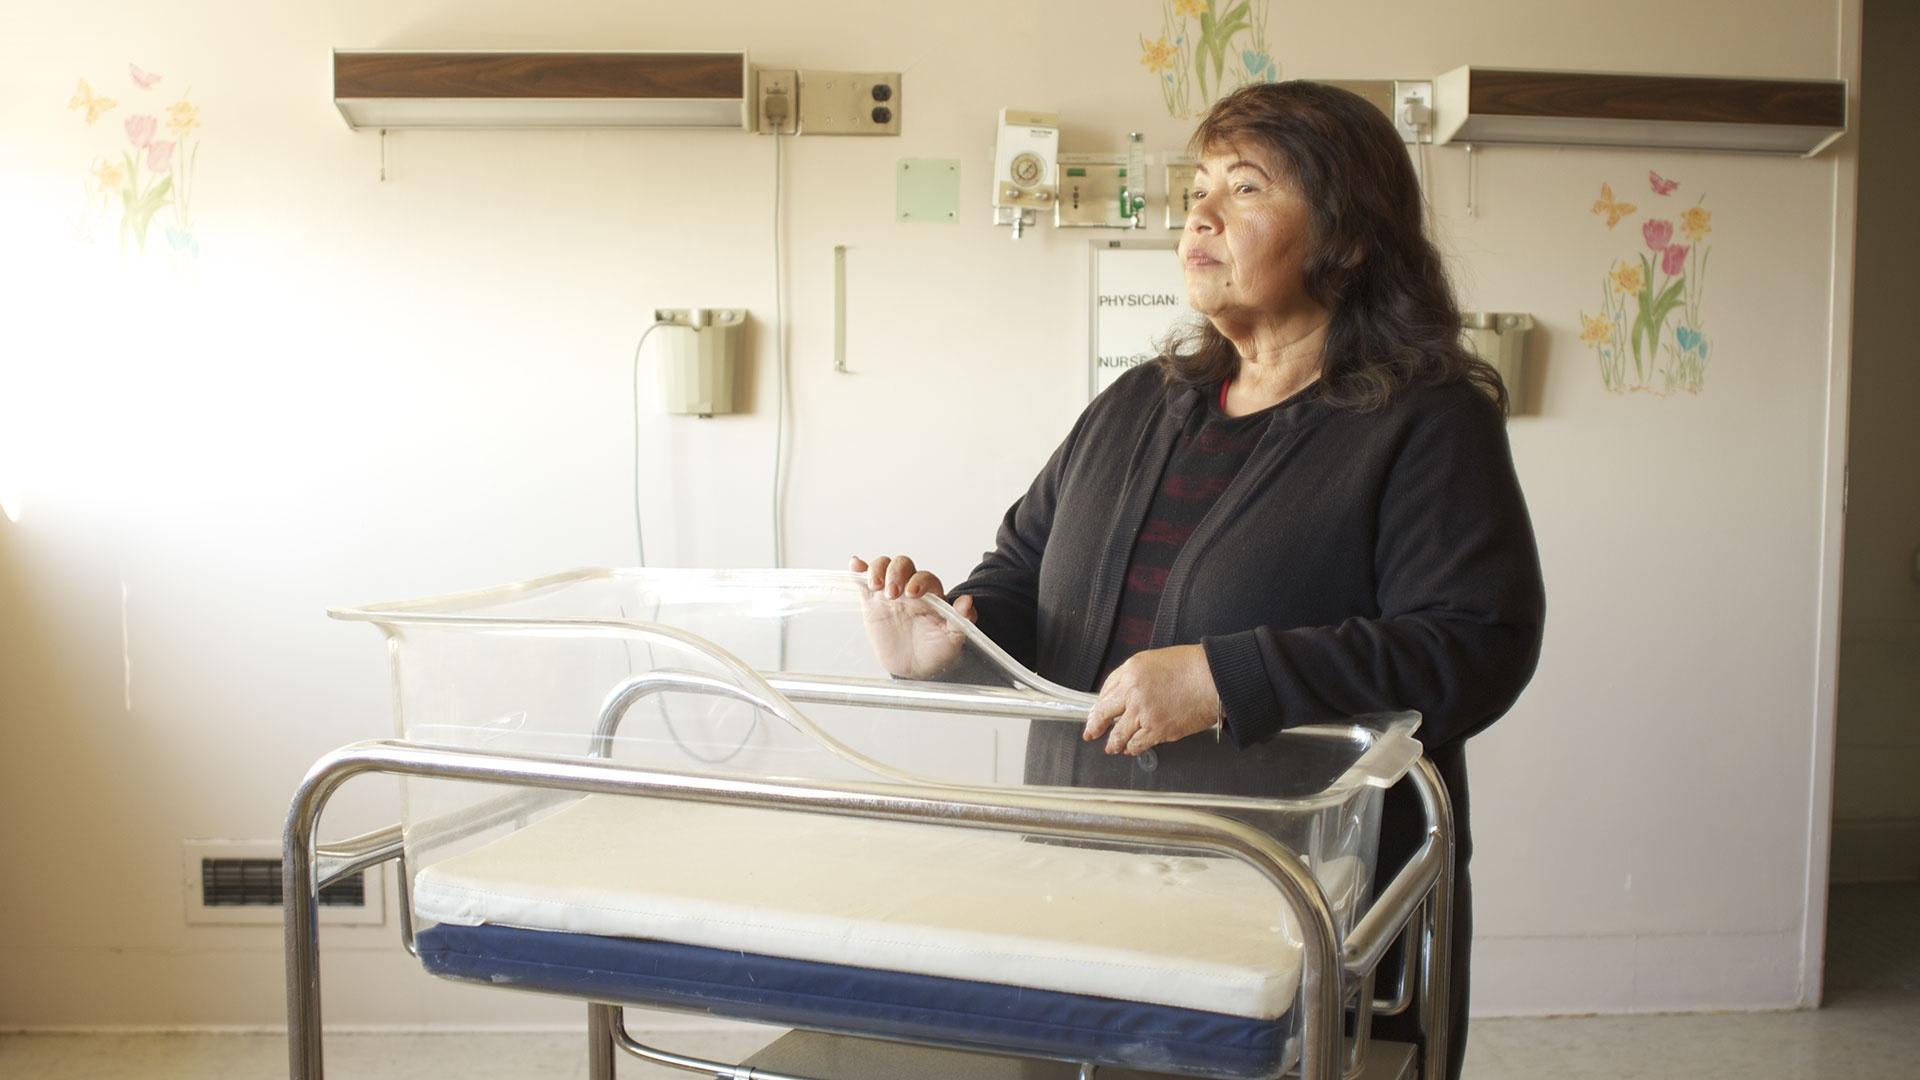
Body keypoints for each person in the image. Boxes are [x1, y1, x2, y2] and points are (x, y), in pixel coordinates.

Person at [853, 80, 1544, 1080]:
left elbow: (1475, 645)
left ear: (1346, 233)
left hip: (1296, 916)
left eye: (1246, 186)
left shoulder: (1424, 423)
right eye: (1198, 186)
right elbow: (1024, 573)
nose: (1201, 214)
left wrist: (1227, 679)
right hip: (1084, 894)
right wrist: (956, 636)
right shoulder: (1141, 403)